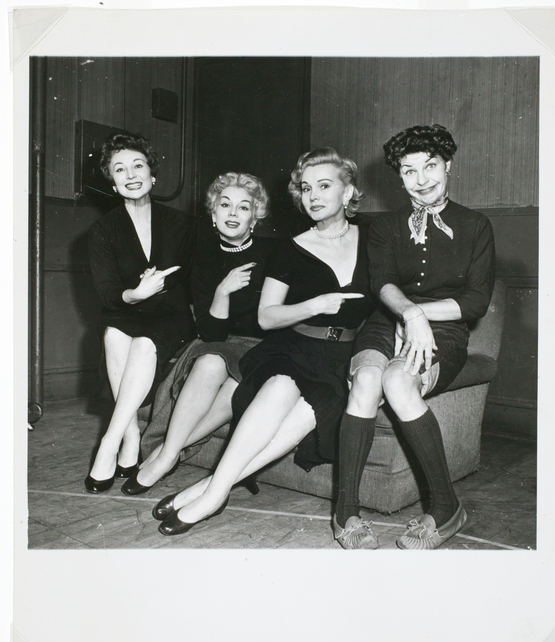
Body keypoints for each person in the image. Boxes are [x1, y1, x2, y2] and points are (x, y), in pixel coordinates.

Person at [155, 147, 375, 537]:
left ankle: (207, 489)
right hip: (295, 348)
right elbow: (266, 316)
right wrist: (314, 305)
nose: (313, 196)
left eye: (324, 186)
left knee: (306, 414)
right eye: (306, 188)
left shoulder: (374, 239)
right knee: (278, 387)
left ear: (347, 192)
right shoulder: (291, 246)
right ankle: (213, 496)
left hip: (343, 357)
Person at [333, 124, 495, 549]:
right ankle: (345, 509)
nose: (421, 179)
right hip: (386, 320)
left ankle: (446, 507)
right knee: (367, 379)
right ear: (399, 176)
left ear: (448, 166)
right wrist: (408, 312)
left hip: (445, 329)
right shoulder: (385, 226)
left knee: (397, 380)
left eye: (430, 166)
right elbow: (382, 283)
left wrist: (421, 315)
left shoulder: (476, 225)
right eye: (409, 171)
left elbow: (476, 302)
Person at [121, 172, 275, 495]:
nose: (233, 213)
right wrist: (223, 291)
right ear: (214, 214)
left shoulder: (272, 254)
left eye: (243, 207)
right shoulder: (203, 260)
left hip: (266, 346)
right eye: (225, 205)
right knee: (211, 361)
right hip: (219, 344)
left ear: (254, 218)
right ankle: (167, 457)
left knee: (238, 382)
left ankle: (167, 452)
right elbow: (212, 333)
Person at [85, 132, 195, 493]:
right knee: (113, 333)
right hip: (125, 309)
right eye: (120, 169)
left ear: (153, 175)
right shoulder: (103, 229)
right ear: (113, 183)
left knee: (144, 343)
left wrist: (159, 289)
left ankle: (108, 443)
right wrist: (136, 293)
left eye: (138, 165)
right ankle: (130, 436)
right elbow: (107, 294)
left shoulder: (181, 223)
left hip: (170, 314)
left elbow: (195, 278)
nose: (130, 174)